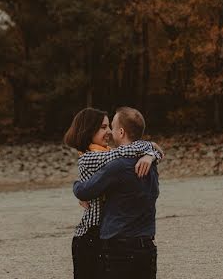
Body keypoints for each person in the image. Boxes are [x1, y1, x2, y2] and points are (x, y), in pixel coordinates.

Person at [63, 108, 162, 279]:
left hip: (111, 236)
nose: (108, 132)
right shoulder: (92, 158)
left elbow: (128, 152)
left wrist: (151, 154)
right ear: (89, 131)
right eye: (103, 127)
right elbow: (124, 152)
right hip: (91, 235)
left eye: (110, 126)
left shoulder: (113, 158)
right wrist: (152, 151)